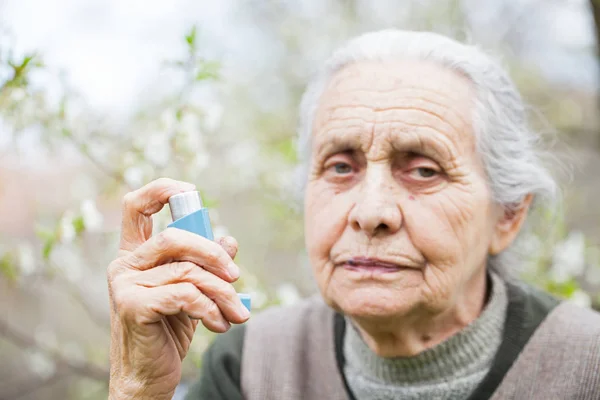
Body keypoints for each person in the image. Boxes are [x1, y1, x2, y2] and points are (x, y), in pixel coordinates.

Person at [107, 30, 600, 400]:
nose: (370, 212)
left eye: (424, 170)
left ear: (508, 215)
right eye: (341, 166)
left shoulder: (587, 367)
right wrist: (140, 387)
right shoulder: (251, 368)